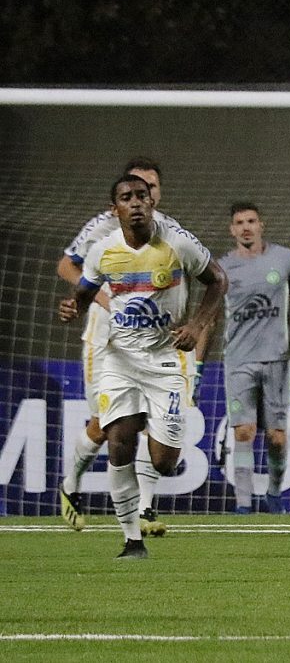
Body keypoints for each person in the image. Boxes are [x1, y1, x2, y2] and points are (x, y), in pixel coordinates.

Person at [58, 174, 226, 558]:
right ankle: (132, 539)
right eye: (126, 197)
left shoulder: (177, 242)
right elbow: (84, 289)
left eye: (141, 196)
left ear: (152, 202)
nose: (135, 203)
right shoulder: (102, 250)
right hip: (119, 359)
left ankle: (144, 497)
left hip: (165, 360)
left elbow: (217, 280)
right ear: (114, 208)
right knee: (118, 442)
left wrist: (197, 325)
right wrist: (74, 305)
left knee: (165, 461)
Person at [56, 157, 180, 537]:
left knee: (148, 422)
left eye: (150, 188)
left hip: (154, 346)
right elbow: (66, 266)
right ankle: (71, 484)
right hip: (105, 340)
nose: (142, 196)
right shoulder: (101, 227)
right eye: (134, 188)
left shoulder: (171, 231)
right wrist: (99, 298)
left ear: (156, 194)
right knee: (105, 426)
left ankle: (144, 509)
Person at [198, 202, 290, 514]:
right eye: (239, 222)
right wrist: (197, 362)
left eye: (251, 221)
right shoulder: (223, 267)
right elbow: (210, 317)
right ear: (232, 229)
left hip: (277, 360)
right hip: (238, 361)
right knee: (244, 432)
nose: (246, 227)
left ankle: (274, 493)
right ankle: (242, 505)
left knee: (277, 438)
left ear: (261, 224)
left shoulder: (284, 259)